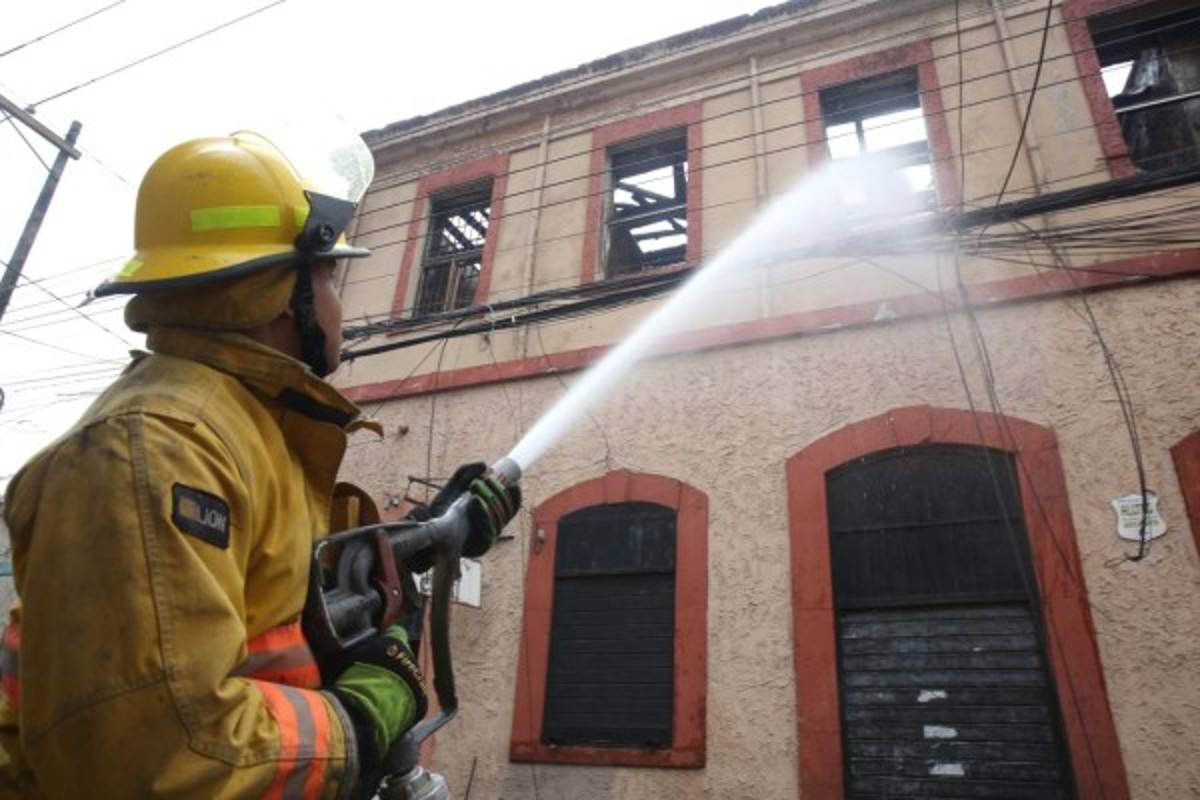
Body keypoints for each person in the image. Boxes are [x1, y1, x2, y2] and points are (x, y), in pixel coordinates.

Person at [0, 130, 519, 798]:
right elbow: (167, 751)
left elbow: (274, 590)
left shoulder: (242, 430)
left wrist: (426, 535)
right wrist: (359, 719)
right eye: (329, 274)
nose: (339, 300)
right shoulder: (151, 449)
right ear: (282, 295)